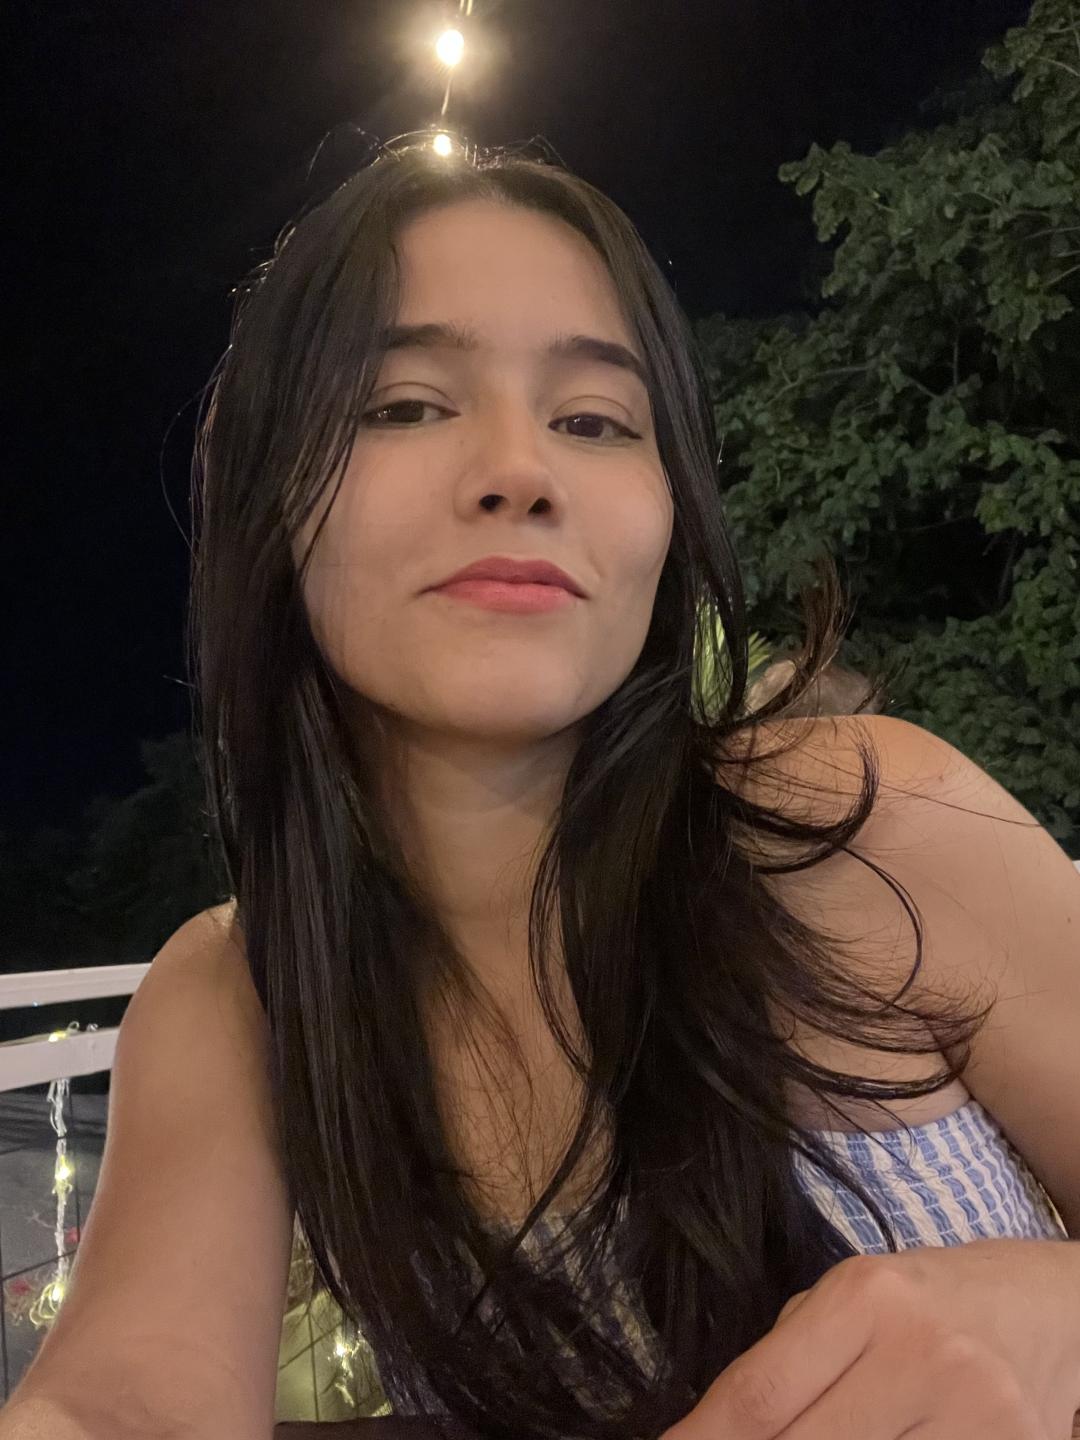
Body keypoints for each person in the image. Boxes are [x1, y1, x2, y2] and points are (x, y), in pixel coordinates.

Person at [3, 137, 1078, 1440]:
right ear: (272, 502)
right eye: (405, 405)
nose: (522, 469)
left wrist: (1051, 1321)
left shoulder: (861, 825)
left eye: (595, 421)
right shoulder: (244, 998)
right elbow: (124, 1398)